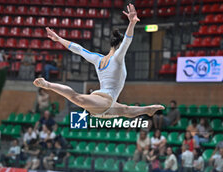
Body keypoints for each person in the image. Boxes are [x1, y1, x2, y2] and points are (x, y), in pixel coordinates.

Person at [33, 4, 164, 119]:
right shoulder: (118, 57)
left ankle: (148, 109)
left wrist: (59, 39)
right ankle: (48, 85)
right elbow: (127, 41)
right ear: (119, 46)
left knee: (125, 110)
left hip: (102, 104)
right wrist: (132, 23)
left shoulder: (98, 58)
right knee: (76, 97)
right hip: (104, 101)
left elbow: (78, 49)